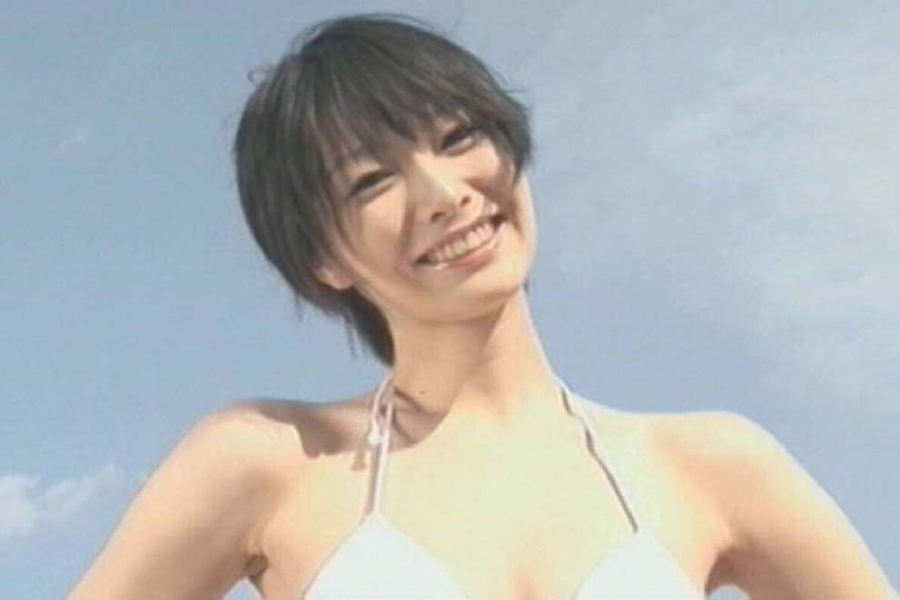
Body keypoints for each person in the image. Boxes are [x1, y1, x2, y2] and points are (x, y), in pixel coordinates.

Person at [70, 14, 895, 600]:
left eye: (459, 137)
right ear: (322, 259)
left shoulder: (708, 463)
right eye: (372, 181)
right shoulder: (267, 461)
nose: (444, 193)